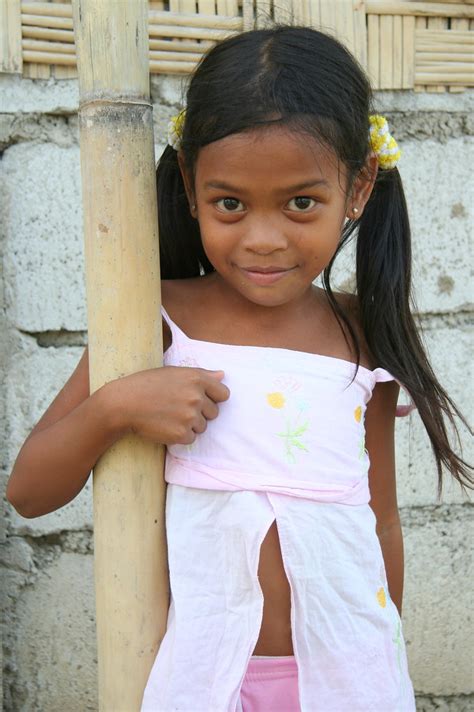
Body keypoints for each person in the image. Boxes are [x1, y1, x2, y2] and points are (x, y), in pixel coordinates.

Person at [6, 25, 472, 712]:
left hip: (350, 679)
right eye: (230, 203)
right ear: (190, 186)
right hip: (206, 682)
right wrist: (117, 408)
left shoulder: (362, 333)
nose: (262, 237)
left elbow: (380, 520)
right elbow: (28, 490)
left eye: (300, 203)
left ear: (360, 186)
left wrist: (385, 659)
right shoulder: (152, 319)